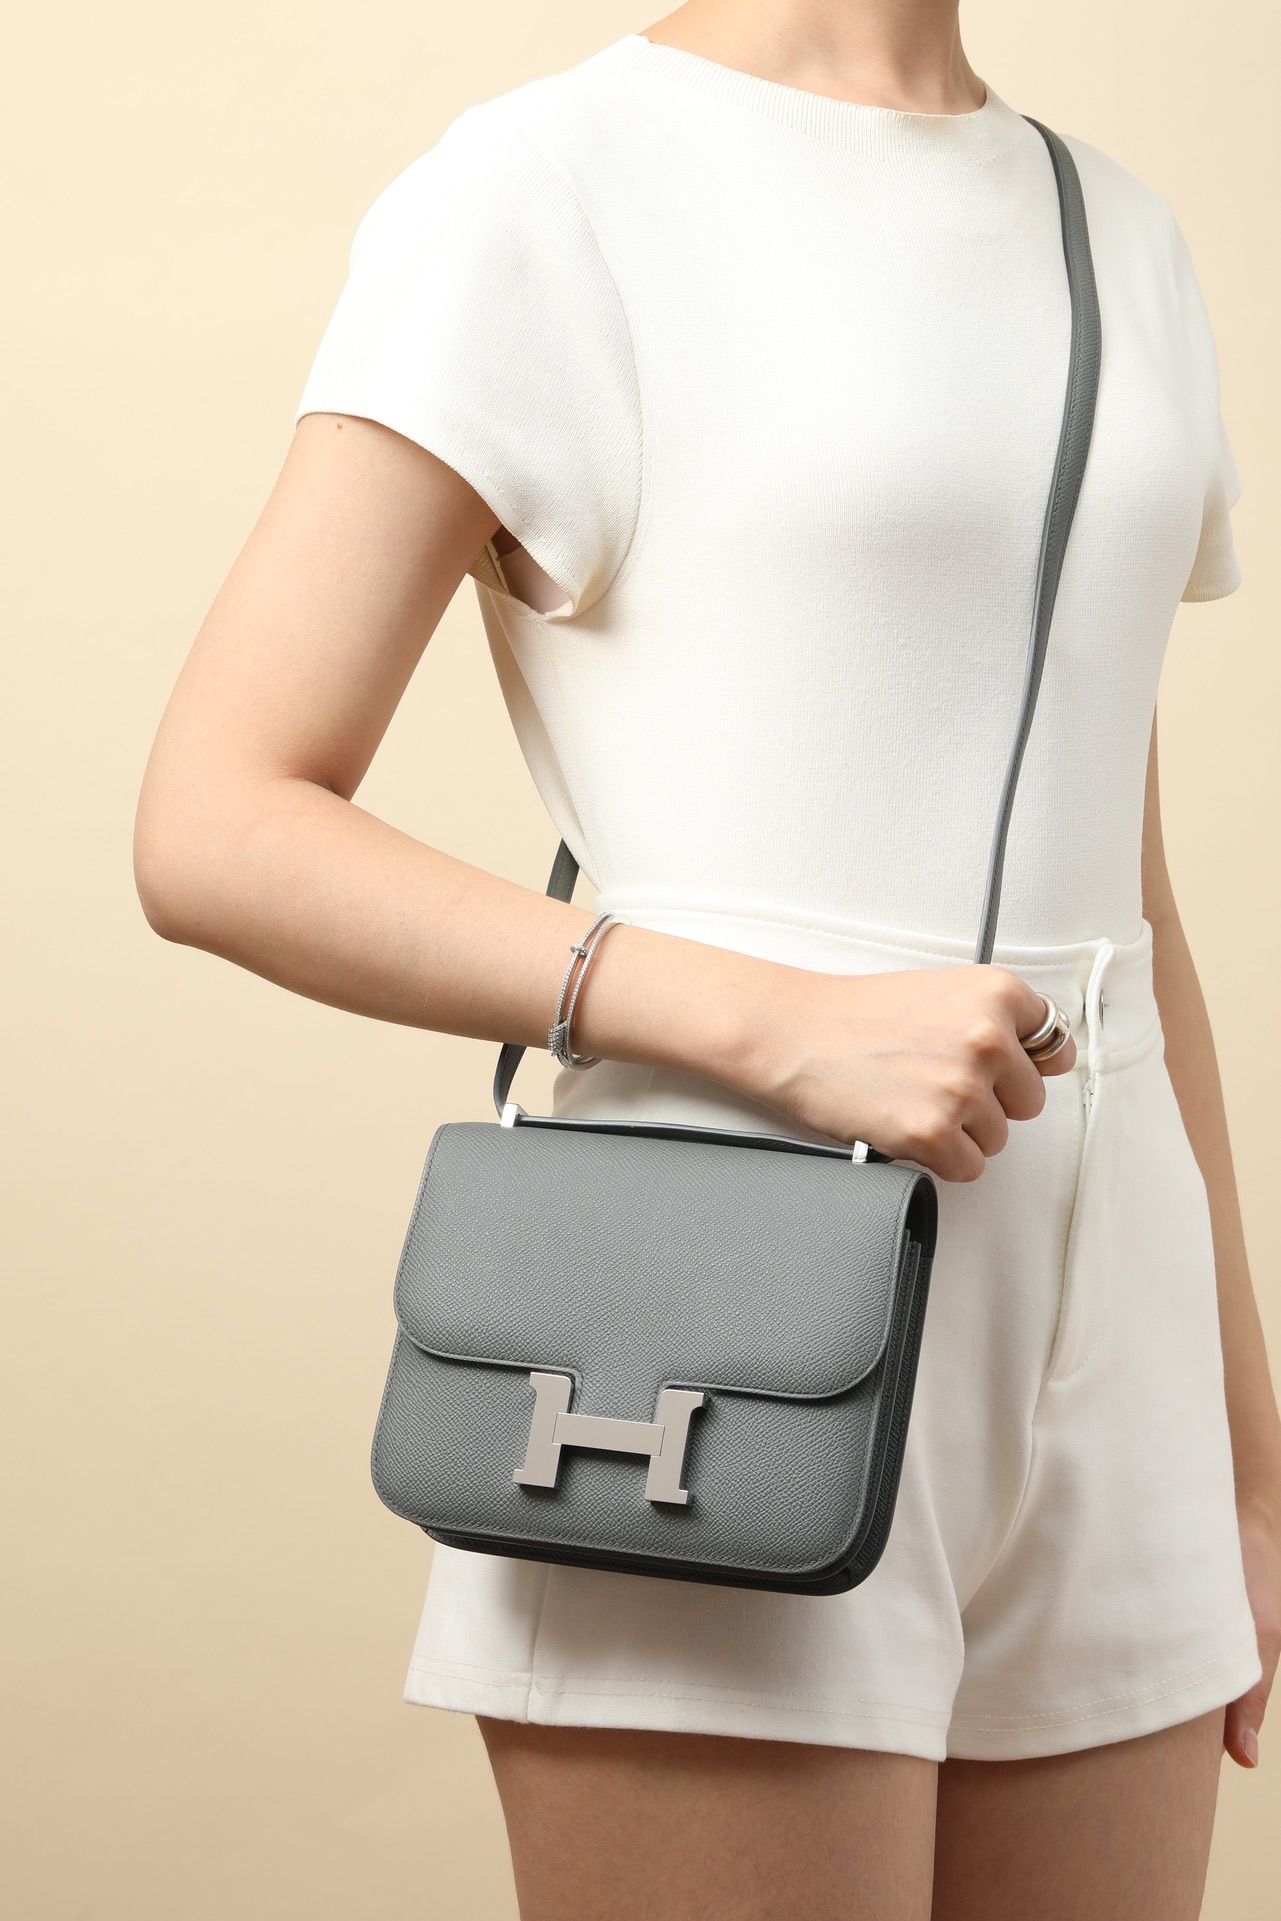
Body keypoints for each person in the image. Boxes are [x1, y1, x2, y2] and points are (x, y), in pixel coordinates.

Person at [134, 2, 1281, 1915]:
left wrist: (1243, 1449)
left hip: (1121, 1355)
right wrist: (780, 1026)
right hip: (719, 1316)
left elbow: (1127, 902)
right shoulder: (550, 188)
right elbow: (214, 820)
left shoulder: (1118, 230)